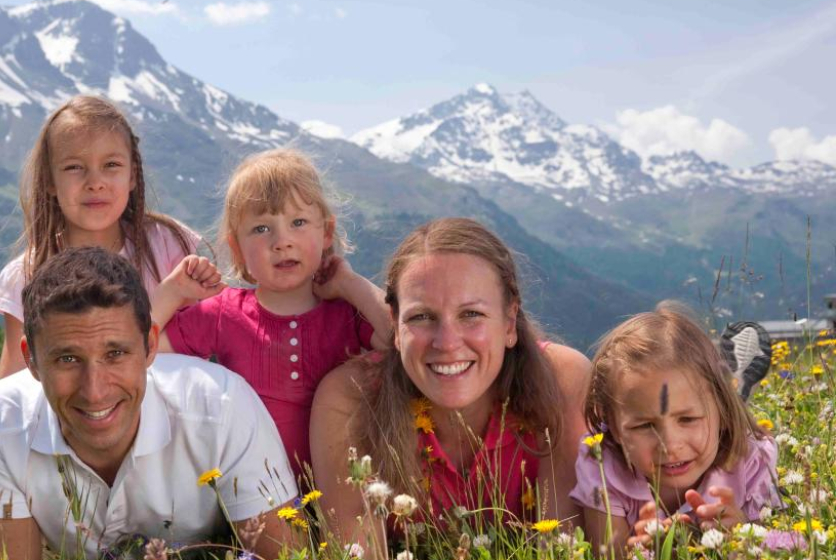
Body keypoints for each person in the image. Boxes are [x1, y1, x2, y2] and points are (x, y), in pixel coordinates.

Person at [0, 96, 217, 412]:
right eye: (74, 167)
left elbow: (222, 342)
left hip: (179, 440)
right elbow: (14, 404)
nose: (95, 182)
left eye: (111, 164)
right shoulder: (25, 276)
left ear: (133, 175)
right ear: (50, 181)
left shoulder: (168, 246)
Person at [0, 247, 296, 560]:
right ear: (31, 360)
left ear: (150, 345)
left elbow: (285, 555)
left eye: (116, 354)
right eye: (67, 358)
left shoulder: (222, 406)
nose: (94, 391)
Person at [309, 217, 591, 553]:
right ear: (395, 328)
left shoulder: (562, 380)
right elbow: (357, 551)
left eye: (471, 314)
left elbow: (560, 547)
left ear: (510, 322)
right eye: (421, 317)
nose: (446, 342)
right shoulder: (351, 399)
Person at [151, 148, 390, 476]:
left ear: (327, 233)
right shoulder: (224, 313)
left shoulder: (346, 312)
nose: (282, 241)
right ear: (237, 247)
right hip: (254, 495)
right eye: (262, 229)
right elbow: (138, 349)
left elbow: (399, 337)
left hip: (340, 491)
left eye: (299, 222)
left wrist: (350, 283)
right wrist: (172, 292)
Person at [573, 302, 781, 555]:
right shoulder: (603, 470)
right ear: (614, 427)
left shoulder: (750, 462)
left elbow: (774, 548)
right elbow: (605, 554)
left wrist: (739, 538)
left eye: (688, 419)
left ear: (723, 411)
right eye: (645, 425)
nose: (670, 445)